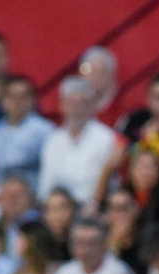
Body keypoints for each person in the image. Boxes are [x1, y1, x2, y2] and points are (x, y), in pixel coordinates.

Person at [37, 77, 123, 210]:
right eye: (71, 103)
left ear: (91, 106)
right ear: (62, 106)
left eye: (82, 103)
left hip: (92, 209)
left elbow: (110, 181)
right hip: (57, 209)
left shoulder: (107, 138)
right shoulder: (53, 140)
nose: (76, 109)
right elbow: (46, 182)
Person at [0, 77, 53, 192]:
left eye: (22, 97)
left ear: (32, 100)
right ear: (2, 101)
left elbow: (19, 158)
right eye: (12, 97)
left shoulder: (44, 129)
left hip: (31, 192)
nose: (17, 102)